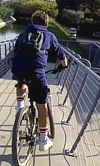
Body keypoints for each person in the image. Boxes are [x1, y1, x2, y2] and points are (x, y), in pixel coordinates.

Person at [11, 10, 68, 151]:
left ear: (32, 21)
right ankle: (43, 140)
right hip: (37, 72)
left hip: (18, 68)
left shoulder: (23, 34)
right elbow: (60, 54)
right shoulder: (49, 35)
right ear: (46, 23)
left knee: (22, 81)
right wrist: (63, 65)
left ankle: (20, 104)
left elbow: (15, 51)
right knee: (42, 106)